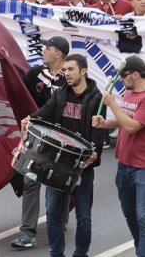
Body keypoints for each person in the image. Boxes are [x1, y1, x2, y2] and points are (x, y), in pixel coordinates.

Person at [22, 54, 107, 257]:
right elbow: (45, 111)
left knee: (83, 217)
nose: (66, 74)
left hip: (81, 167)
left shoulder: (97, 99)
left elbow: (99, 133)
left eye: (70, 70)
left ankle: (81, 254)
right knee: (52, 214)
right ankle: (56, 253)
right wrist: (30, 119)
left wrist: (95, 153)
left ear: (83, 71)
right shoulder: (60, 94)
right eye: (65, 70)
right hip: (57, 164)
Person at [10, 36, 70, 249]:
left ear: (59, 55)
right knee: (30, 180)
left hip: (62, 140)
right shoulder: (36, 74)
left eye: (49, 48)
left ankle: (59, 224)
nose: (44, 50)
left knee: (58, 184)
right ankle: (28, 233)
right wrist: (5, 63)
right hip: (36, 136)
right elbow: (17, 90)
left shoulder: (70, 78)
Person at [92, 55, 145, 257]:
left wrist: (112, 104)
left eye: (123, 76)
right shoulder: (130, 94)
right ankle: (141, 247)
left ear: (136, 74)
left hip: (142, 168)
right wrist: (106, 123)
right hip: (123, 164)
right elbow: (124, 119)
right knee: (130, 214)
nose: (120, 79)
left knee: (142, 216)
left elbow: (132, 127)